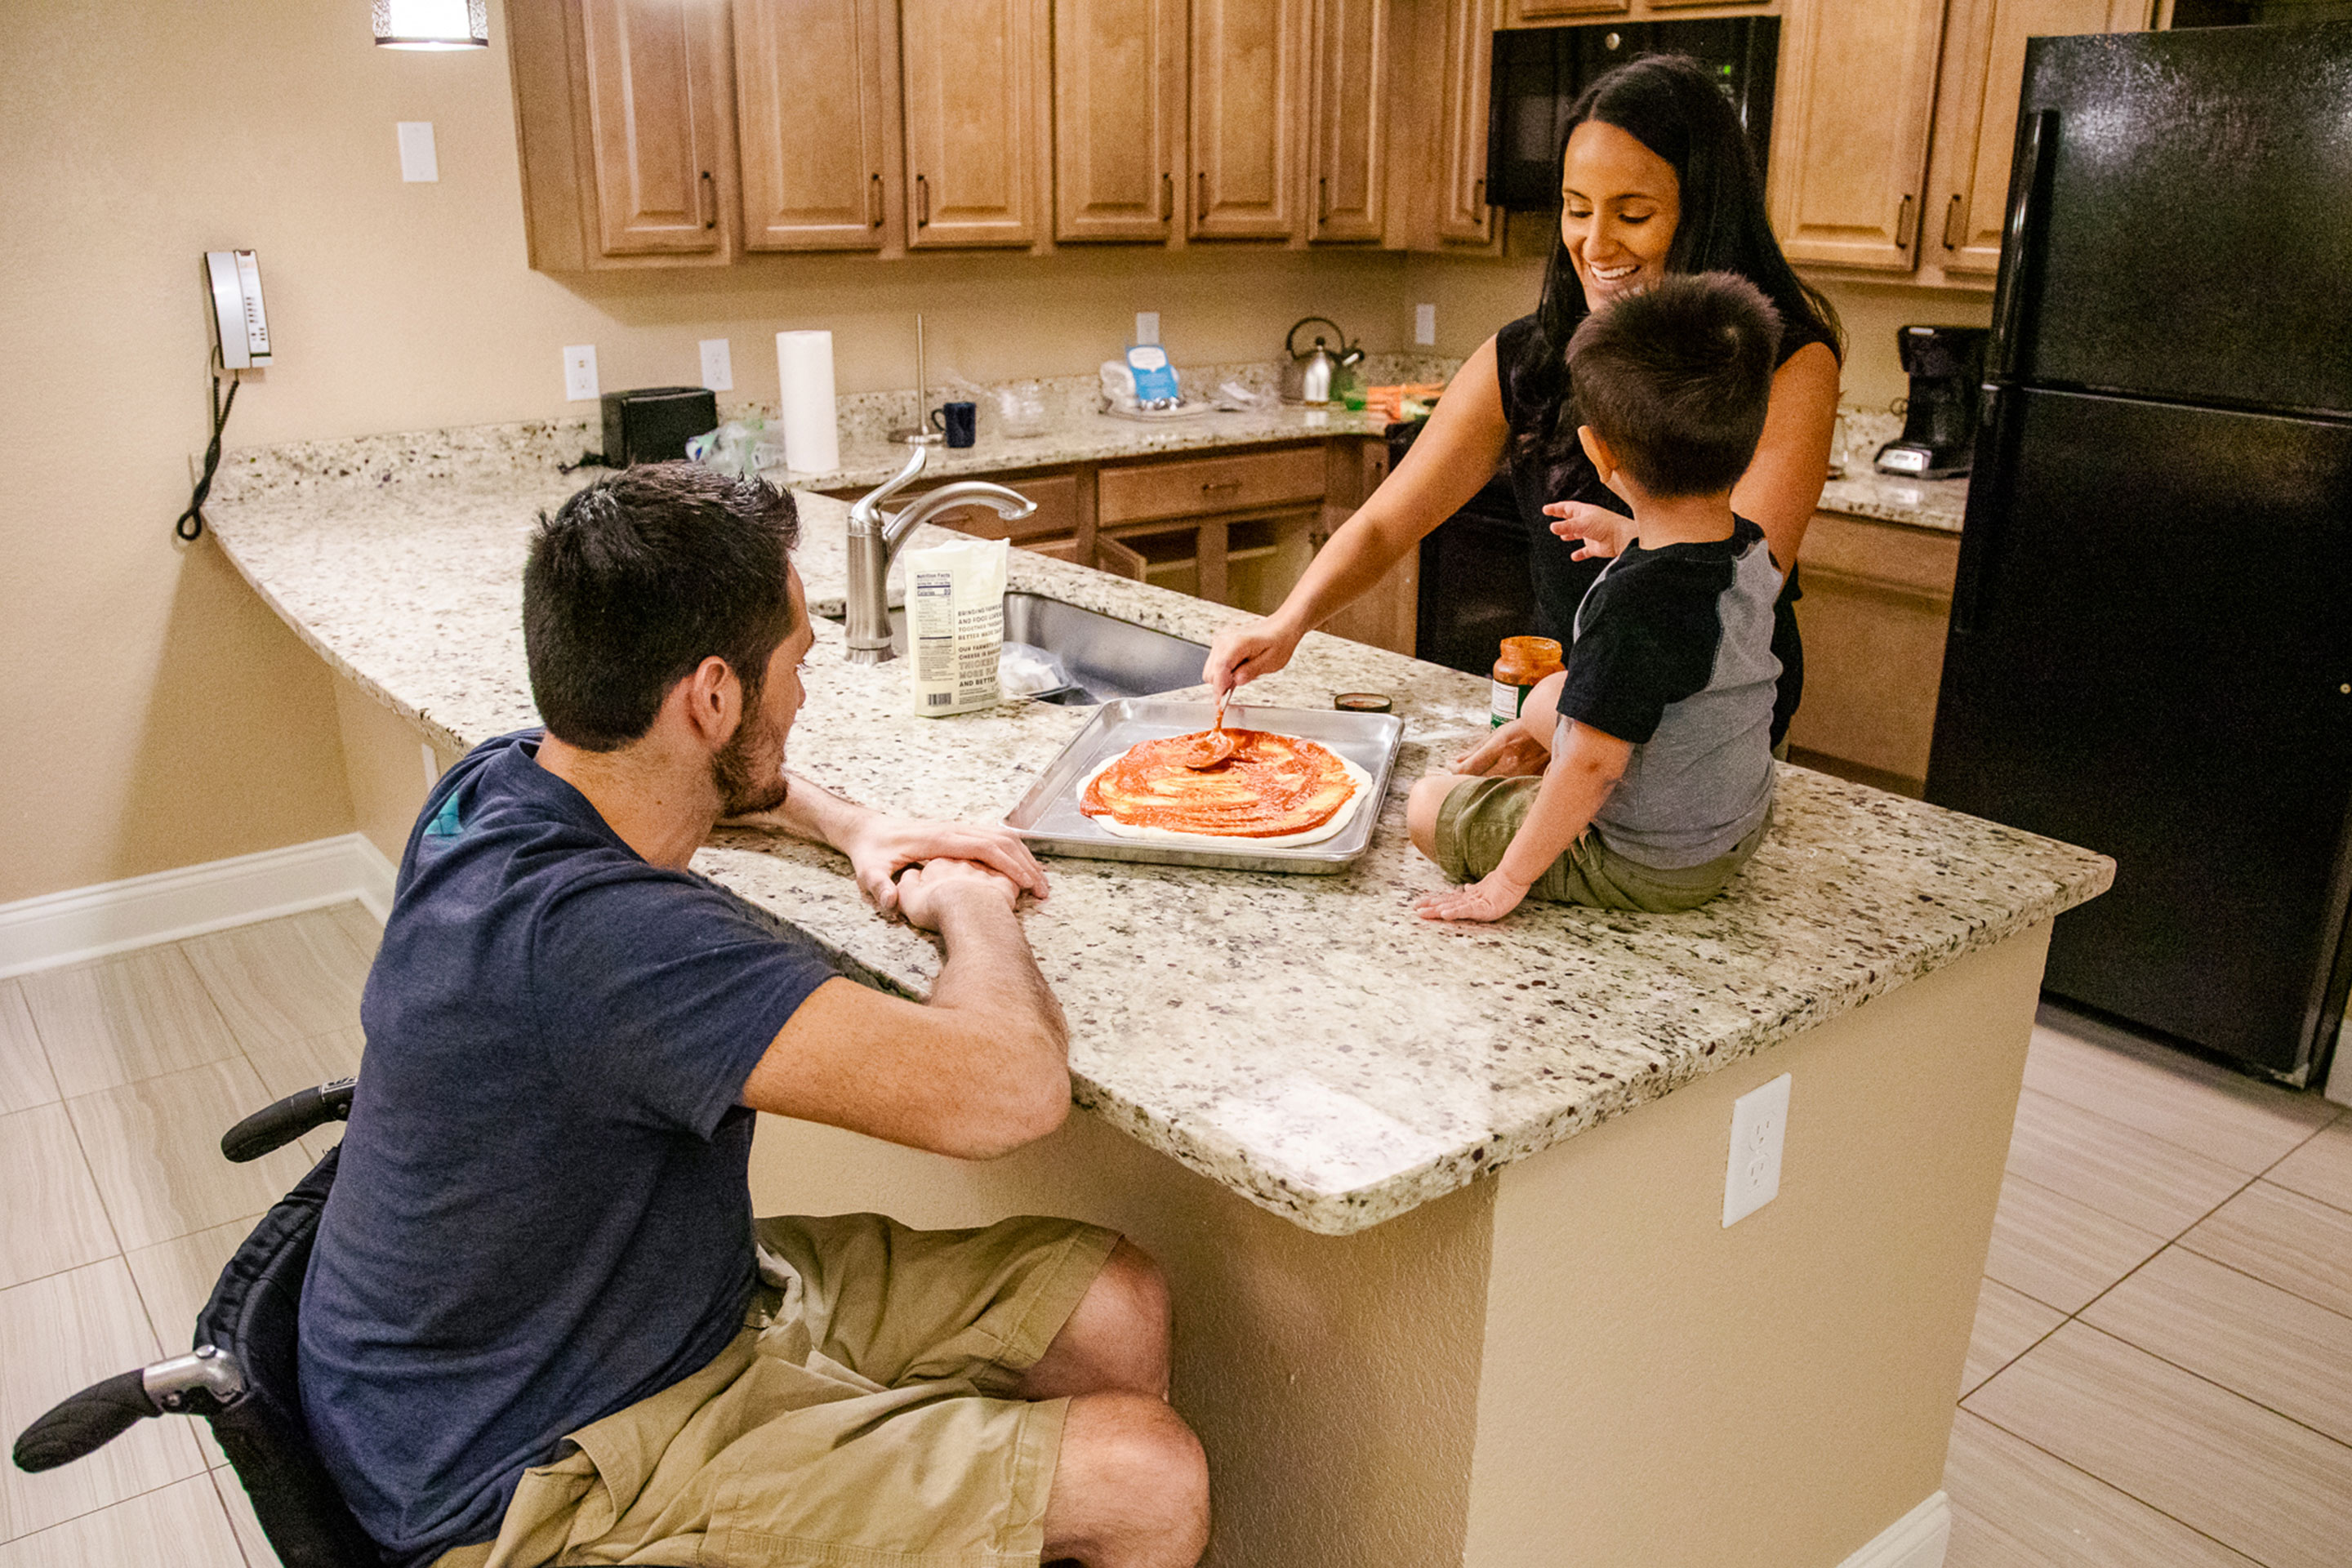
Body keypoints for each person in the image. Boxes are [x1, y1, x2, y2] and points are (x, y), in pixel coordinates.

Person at [296, 465, 1209, 1568]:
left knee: (1115, 1303)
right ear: (715, 697)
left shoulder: (501, 785)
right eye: (796, 664)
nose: (806, 695)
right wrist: (972, 907)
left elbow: (730, 791)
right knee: (1150, 1481)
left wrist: (860, 829)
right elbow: (1009, 1092)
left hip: (605, 1322)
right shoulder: (621, 947)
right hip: (531, 1479)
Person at [1205, 52, 1842, 753]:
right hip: (1570, 704)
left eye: (1633, 214)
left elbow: (1744, 585)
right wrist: (1286, 622)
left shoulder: (1787, 363)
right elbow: (1388, 523)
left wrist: (1591, 698)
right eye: (1576, 210)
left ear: (1706, 213)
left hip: (1708, 727)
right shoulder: (1529, 356)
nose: (1595, 243)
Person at [1409, 273, 1784, 922]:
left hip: (1651, 861)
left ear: (1599, 453)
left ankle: (1538, 849)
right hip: (1731, 827)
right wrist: (1629, 532)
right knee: (1553, 696)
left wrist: (1505, 883)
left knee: (1424, 804)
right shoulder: (1747, 547)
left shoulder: (1633, 608)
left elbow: (1592, 769)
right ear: (1747, 445)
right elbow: (1694, 587)